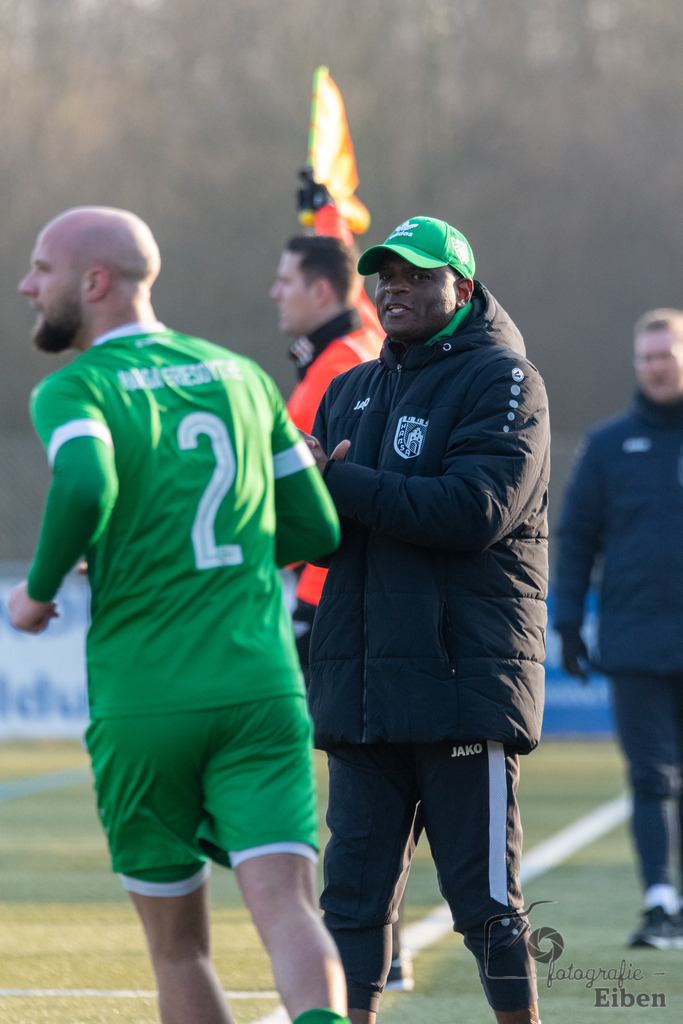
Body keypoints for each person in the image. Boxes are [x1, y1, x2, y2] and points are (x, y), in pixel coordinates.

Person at [8, 205, 351, 1024]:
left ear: (95, 282)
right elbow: (318, 531)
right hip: (259, 690)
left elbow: (85, 483)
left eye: (42, 269)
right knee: (289, 910)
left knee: (179, 949)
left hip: (146, 700)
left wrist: (38, 591)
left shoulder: (75, 387)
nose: (26, 285)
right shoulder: (241, 376)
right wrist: (218, 564)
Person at [304, 216, 550, 1024]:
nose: (394, 289)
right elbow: (317, 531)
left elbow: (473, 511)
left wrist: (340, 486)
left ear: (461, 288)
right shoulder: (348, 390)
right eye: (386, 276)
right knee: (349, 905)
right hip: (362, 690)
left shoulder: (504, 380)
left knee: (485, 905)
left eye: (416, 275)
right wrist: (286, 503)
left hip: (458, 687)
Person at [271, 181, 413, 991]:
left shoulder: (345, 360)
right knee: (353, 765)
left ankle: (371, 939)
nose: (274, 293)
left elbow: (305, 486)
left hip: (339, 596)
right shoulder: (330, 356)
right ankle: (373, 938)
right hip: (318, 591)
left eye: (285, 280)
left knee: (363, 767)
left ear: (323, 290)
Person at [553, 308, 683, 950]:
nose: (657, 367)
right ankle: (661, 902)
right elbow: (577, 536)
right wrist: (568, 621)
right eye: (647, 357)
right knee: (650, 777)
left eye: (667, 354)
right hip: (634, 641)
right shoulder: (608, 445)